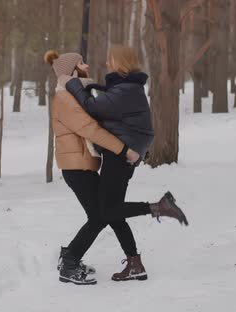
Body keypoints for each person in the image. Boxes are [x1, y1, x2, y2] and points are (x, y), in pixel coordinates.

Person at [64, 45, 189, 282]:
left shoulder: (126, 91)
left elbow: (93, 108)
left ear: (120, 62)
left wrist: (74, 85)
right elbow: (108, 100)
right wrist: (91, 86)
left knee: (108, 211)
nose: (107, 63)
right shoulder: (127, 88)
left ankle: (159, 207)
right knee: (113, 211)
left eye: (111, 59)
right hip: (122, 154)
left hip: (119, 155)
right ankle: (135, 264)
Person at [44, 50, 140, 285]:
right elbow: (90, 129)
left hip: (83, 164)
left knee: (109, 211)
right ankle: (69, 263)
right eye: (81, 62)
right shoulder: (65, 99)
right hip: (76, 167)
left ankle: (133, 262)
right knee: (99, 216)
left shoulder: (75, 96)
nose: (87, 65)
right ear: (72, 70)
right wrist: (124, 149)